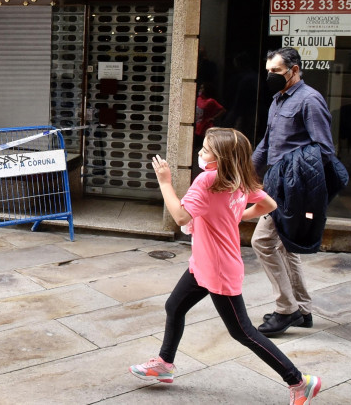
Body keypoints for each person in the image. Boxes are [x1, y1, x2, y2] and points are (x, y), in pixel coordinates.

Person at [129, 128, 321, 405]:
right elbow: (268, 204)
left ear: (221, 158)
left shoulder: (208, 180)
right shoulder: (237, 178)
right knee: (175, 306)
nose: (199, 153)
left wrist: (165, 183)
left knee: (242, 332)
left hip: (218, 269)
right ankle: (164, 364)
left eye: (205, 150)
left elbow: (181, 215)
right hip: (203, 264)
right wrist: (232, 218)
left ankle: (299, 382)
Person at [252, 47, 336, 337]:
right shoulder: (278, 100)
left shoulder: (310, 100)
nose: (270, 76)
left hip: (293, 188)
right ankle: (302, 309)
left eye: (276, 71)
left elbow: (324, 150)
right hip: (274, 184)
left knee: (261, 241)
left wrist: (301, 184)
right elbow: (267, 142)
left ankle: (285, 309)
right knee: (286, 247)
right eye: (268, 71)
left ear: (295, 70)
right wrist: (245, 173)